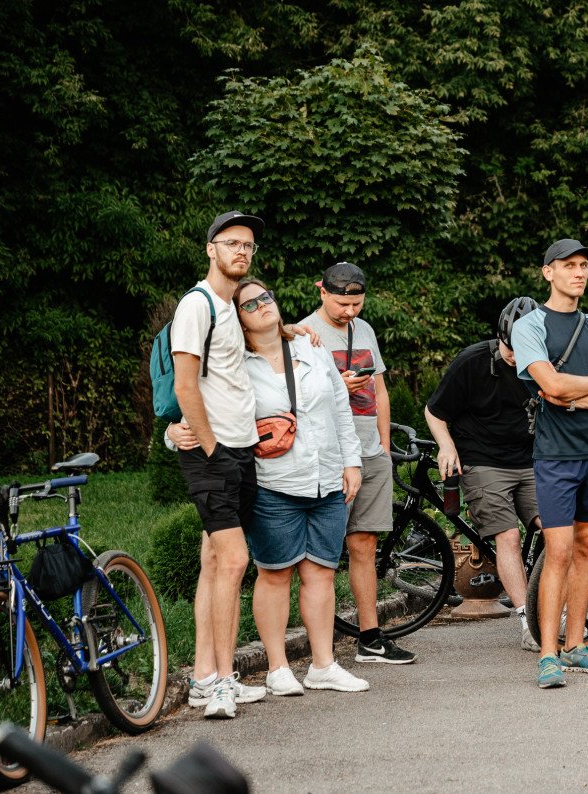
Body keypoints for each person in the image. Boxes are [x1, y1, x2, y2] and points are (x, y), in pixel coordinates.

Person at [235, 278, 370, 695]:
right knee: (275, 574)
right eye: (250, 304)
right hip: (274, 482)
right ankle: (277, 668)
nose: (262, 306)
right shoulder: (237, 362)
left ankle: (323, 664)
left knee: (322, 574)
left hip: (326, 477)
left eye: (266, 297)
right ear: (237, 320)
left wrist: (352, 461)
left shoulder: (311, 347)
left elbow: (340, 407)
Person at [511, 238, 588, 689]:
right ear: (548, 272)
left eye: (583, 265)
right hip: (556, 457)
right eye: (569, 266)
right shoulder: (530, 326)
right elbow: (549, 385)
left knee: (587, 549)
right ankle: (547, 654)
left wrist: (576, 392)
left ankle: (577, 645)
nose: (579, 273)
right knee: (558, 552)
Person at [170, 210, 270, 718]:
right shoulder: (198, 304)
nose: (241, 252)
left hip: (240, 448)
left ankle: (204, 677)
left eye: (248, 246)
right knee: (234, 562)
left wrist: (291, 329)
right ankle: (226, 683)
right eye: (232, 243)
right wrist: (209, 448)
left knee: (214, 563)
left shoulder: (230, 308)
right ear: (211, 248)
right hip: (214, 452)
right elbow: (185, 383)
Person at [300, 262, 415, 665]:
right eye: (342, 304)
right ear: (322, 291)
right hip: (329, 454)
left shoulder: (363, 330)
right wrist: (336, 386)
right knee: (324, 551)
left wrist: (383, 446)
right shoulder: (304, 334)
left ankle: (371, 639)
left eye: (357, 304)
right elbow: (295, 400)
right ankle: (321, 645)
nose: (350, 312)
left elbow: (380, 390)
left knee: (364, 544)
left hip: (370, 450)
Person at [424, 297, 545, 652]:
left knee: (555, 530)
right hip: (482, 460)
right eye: (509, 348)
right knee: (506, 536)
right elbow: (434, 412)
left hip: (530, 460)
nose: (515, 357)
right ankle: (527, 620)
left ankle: (553, 611)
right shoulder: (473, 361)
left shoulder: (545, 364)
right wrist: (447, 446)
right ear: (499, 337)